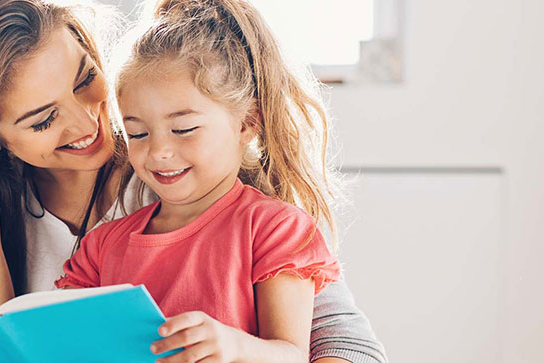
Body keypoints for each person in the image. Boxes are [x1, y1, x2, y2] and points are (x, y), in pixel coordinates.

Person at [0, 0, 386, 361]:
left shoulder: (194, 177)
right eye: (42, 119)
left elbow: (345, 344)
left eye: (84, 80)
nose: (87, 122)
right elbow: (4, 348)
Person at [56, 0, 344, 360]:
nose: (159, 151)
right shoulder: (100, 249)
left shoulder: (274, 228)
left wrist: (235, 347)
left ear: (246, 123)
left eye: (183, 129)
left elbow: (292, 355)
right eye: (137, 134)